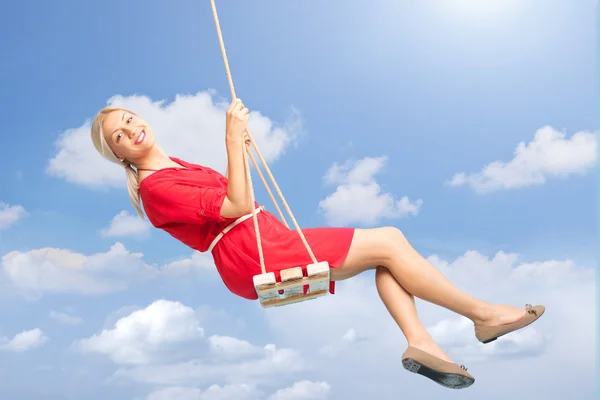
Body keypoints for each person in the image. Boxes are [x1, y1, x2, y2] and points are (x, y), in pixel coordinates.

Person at [90, 98, 545, 389]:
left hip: (263, 239)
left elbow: (233, 195)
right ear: (118, 155)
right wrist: (231, 136)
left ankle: (421, 342)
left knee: (388, 255)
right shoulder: (155, 189)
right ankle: (483, 317)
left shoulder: (173, 166)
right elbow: (236, 204)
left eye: (130, 120)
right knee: (388, 240)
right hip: (250, 252)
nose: (131, 131)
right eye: (119, 137)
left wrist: (239, 149)